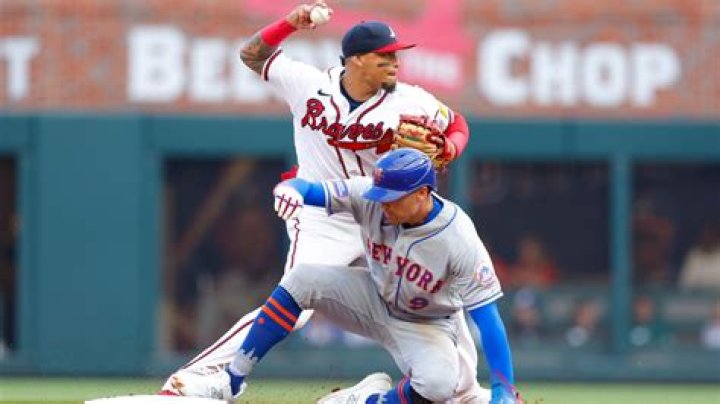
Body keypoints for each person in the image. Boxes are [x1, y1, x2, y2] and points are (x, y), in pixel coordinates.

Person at [160, 1, 487, 401]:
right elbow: (251, 55)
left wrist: (451, 148)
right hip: (324, 214)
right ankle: (200, 378)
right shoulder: (308, 84)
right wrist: (288, 23)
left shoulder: (410, 100)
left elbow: (456, 124)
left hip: (383, 213)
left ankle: (467, 394)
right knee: (295, 300)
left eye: (396, 55)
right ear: (357, 59)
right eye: (385, 56)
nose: (395, 63)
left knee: (439, 300)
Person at [174, 149, 520, 404]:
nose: (383, 203)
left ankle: (362, 400)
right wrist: (290, 190)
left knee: (440, 387)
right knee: (302, 279)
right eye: (381, 195)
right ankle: (231, 380)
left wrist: (504, 390)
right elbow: (308, 189)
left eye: (393, 198)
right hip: (370, 298)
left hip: (425, 323)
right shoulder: (369, 195)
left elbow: (488, 320)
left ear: (422, 194)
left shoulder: (458, 237)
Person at [678, 220, 720, 291]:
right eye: (704, 236)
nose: (707, 239)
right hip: (698, 296)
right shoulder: (694, 255)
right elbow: (685, 284)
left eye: (710, 236)